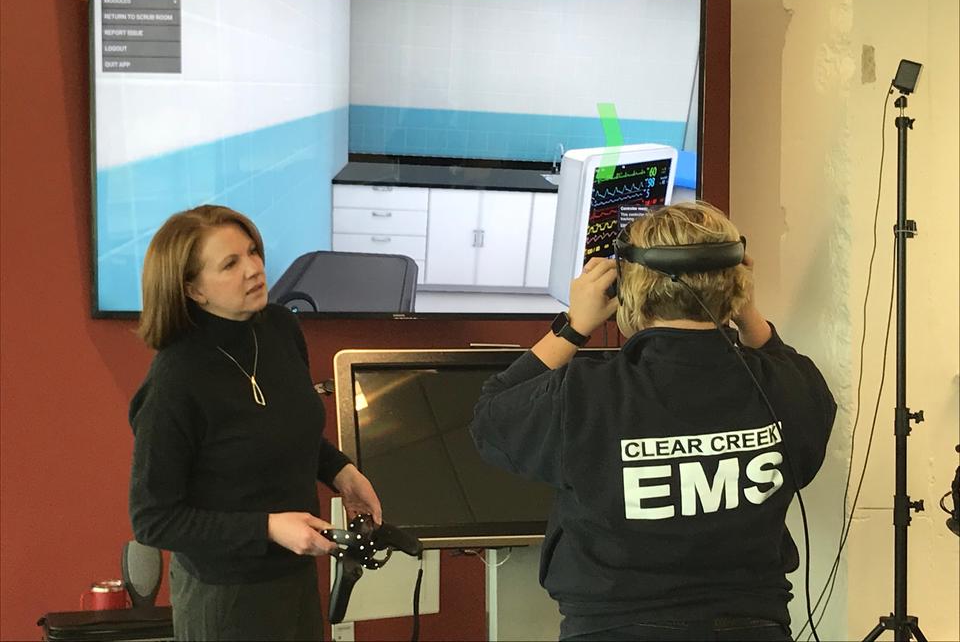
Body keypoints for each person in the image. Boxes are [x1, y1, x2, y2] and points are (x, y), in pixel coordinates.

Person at [471, 201, 836, 641]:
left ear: (629, 287)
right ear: (738, 282)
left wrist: (573, 326)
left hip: (613, 629)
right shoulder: (787, 384)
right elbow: (792, 375)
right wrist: (746, 310)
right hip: (755, 627)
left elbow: (491, 418)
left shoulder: (582, 393)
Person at [129, 204, 382, 641]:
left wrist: (341, 471)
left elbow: (282, 428)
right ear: (193, 290)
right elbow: (154, 520)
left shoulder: (280, 327)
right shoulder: (175, 381)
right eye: (230, 263)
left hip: (295, 576)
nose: (254, 269)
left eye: (252, 252)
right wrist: (267, 526)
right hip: (224, 593)